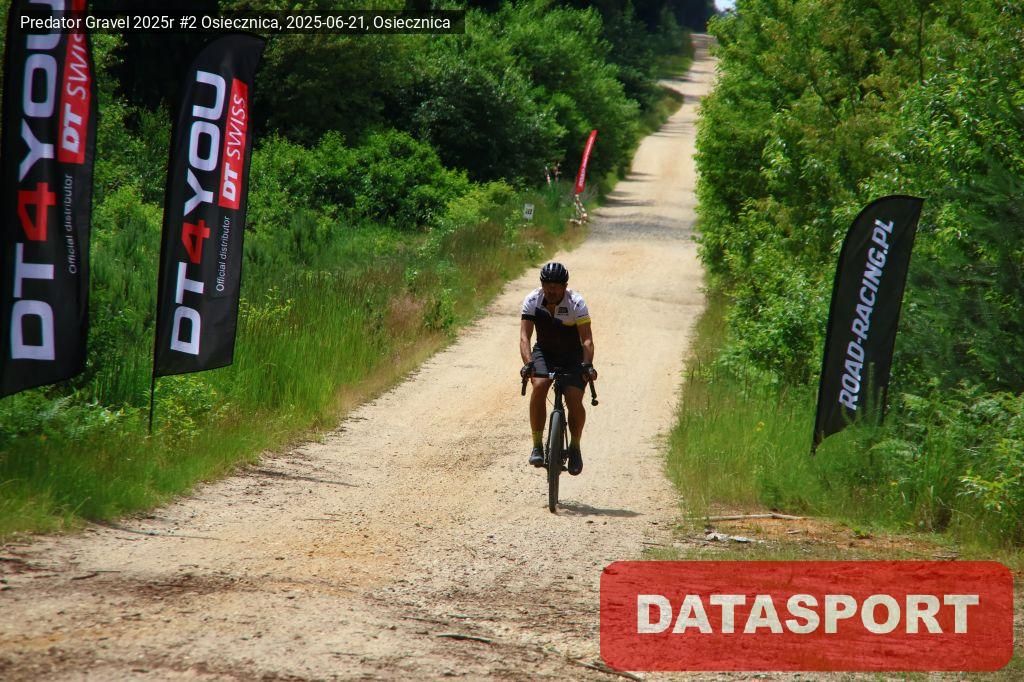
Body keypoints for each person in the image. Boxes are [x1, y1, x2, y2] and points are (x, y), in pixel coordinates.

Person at [519, 262, 597, 475]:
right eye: (547, 285)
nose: (551, 290)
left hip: (573, 355)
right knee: (540, 385)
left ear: (565, 286)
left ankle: (575, 447)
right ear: (542, 284)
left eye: (556, 286)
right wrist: (528, 363)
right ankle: (537, 445)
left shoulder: (576, 302)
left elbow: (587, 340)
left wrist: (587, 365)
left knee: (573, 398)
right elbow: (524, 337)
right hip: (544, 352)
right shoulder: (532, 300)